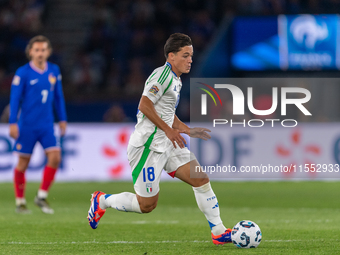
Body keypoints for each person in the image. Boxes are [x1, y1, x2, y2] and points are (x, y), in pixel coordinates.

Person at [87, 33, 232, 245]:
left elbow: (164, 111)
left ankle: (218, 231)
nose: (190, 59)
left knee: (200, 179)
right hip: (148, 147)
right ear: (171, 56)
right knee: (146, 205)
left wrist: (185, 129)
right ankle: (102, 200)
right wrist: (169, 130)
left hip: (168, 143)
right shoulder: (161, 76)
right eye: (185, 55)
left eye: (191, 55)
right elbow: (144, 105)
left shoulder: (176, 79)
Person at [9, 35, 67, 214]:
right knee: (23, 164)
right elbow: (15, 98)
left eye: (43, 50)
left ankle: (41, 196)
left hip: (47, 125)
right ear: (30, 52)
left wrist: (63, 119)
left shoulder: (54, 71)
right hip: (27, 125)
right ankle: (20, 202)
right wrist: (12, 122)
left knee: (55, 158)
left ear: (48, 52)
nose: (40, 53)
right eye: (37, 50)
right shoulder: (23, 72)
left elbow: (58, 96)